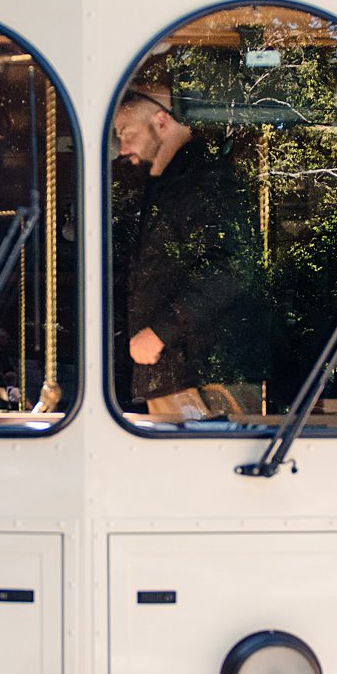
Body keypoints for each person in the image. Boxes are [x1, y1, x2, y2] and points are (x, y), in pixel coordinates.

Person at [110, 78, 268, 421]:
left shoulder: (205, 183)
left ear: (161, 122)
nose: (122, 148)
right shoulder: (169, 188)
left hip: (207, 379)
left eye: (127, 132)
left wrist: (160, 331)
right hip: (181, 374)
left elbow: (231, 268)